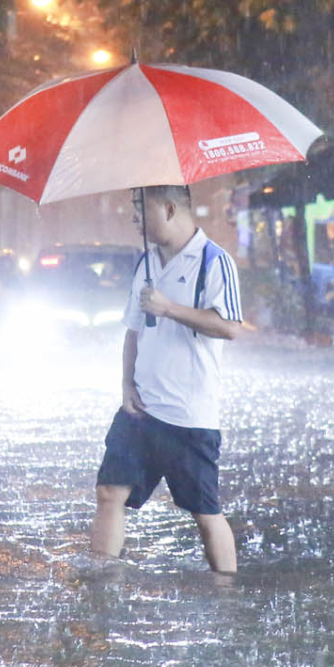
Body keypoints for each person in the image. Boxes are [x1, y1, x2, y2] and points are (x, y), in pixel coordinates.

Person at [90, 185, 247, 574]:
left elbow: (229, 327)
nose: (134, 218)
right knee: (110, 493)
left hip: (189, 415)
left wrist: (170, 308)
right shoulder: (145, 262)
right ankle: (99, 588)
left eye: (141, 209)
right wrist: (126, 385)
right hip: (141, 409)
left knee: (205, 513)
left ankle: (227, 594)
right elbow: (133, 330)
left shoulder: (214, 261)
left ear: (170, 208)